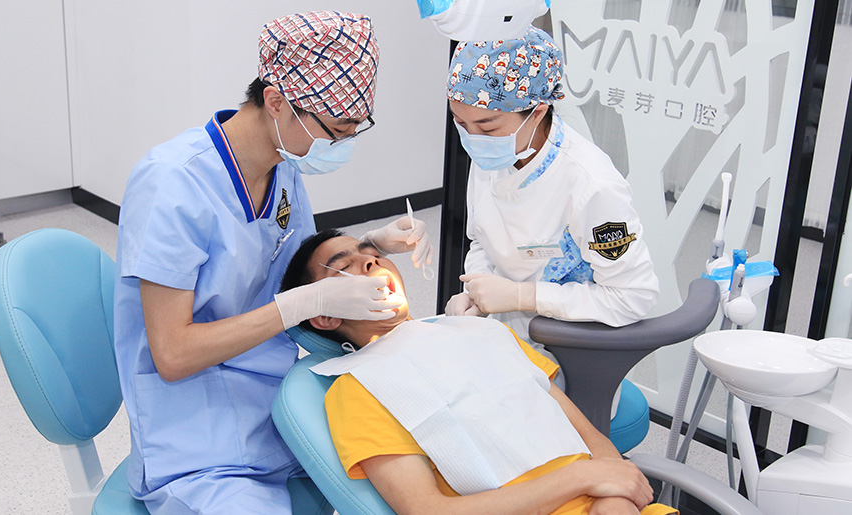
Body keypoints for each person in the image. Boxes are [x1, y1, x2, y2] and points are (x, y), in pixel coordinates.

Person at [113, 11, 432, 514]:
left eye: (353, 131)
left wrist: (368, 247)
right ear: (277, 101)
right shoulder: (172, 184)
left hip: (282, 402)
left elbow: (293, 271)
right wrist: (303, 302)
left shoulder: (283, 168)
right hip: (200, 437)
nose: (341, 147)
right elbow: (172, 354)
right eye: (335, 131)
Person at [279, 230, 675, 515]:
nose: (371, 261)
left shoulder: (485, 332)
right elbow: (426, 511)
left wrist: (614, 500)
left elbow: (590, 437)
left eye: (371, 254)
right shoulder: (358, 390)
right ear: (325, 316)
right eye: (344, 268)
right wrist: (583, 480)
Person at [442, 27, 660, 357]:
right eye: (461, 123)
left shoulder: (592, 184)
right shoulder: (495, 151)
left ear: (537, 112)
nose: (473, 139)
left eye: (487, 127)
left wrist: (523, 296)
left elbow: (633, 297)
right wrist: (476, 289)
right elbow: (483, 240)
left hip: (567, 348)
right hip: (499, 338)